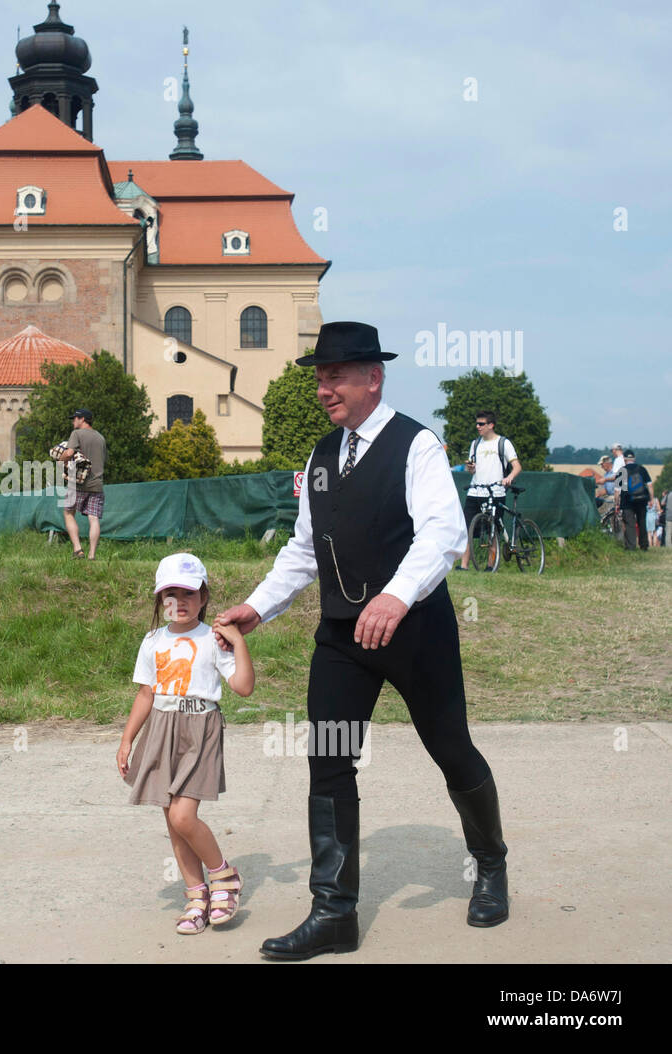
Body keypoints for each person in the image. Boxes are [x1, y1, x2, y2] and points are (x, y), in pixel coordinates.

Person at [215, 321, 509, 960]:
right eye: (320, 377)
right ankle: (334, 913)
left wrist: (398, 596)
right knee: (329, 759)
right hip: (342, 636)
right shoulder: (322, 456)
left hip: (416, 632)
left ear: (373, 377)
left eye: (336, 376)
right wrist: (257, 609)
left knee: (451, 749)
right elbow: (302, 549)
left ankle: (490, 864)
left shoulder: (417, 445)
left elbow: (441, 533)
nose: (325, 389)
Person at [118, 553, 255, 934]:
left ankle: (223, 877)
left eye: (188, 593)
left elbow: (243, 686)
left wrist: (238, 643)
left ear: (204, 596)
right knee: (172, 820)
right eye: (170, 594)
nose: (179, 602)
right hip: (160, 729)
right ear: (160, 600)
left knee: (183, 815)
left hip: (200, 729)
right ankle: (196, 896)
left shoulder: (213, 639)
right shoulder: (152, 641)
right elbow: (146, 693)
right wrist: (128, 740)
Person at [457, 411, 520, 570]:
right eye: (477, 423)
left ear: (491, 425)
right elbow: (472, 469)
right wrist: (470, 468)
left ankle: (490, 565)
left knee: (493, 530)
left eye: (481, 424)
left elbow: (517, 466)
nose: (478, 427)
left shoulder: (503, 443)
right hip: (475, 491)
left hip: (496, 492)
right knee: (467, 529)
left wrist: (509, 478)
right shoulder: (475, 444)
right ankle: (464, 565)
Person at [58, 408, 106, 561]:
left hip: (77, 484)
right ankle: (92, 555)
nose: (73, 421)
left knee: (68, 513)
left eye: (75, 418)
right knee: (94, 518)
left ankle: (78, 549)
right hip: (97, 484)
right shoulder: (100, 438)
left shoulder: (77, 434)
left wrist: (60, 460)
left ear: (83, 419)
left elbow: (70, 452)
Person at [616, 449, 653, 550]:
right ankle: (644, 545)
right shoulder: (642, 469)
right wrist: (651, 499)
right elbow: (650, 485)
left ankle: (631, 546)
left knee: (629, 524)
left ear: (624, 459)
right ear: (634, 458)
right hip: (642, 500)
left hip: (627, 501)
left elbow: (617, 490)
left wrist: (616, 503)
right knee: (642, 522)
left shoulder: (622, 471)